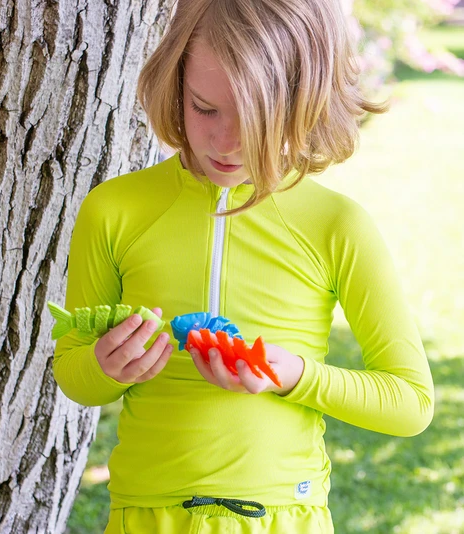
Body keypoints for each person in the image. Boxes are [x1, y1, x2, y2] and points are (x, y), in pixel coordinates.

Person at [52, 0, 434, 532]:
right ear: (175, 85)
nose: (226, 143)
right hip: (145, 514)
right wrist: (105, 366)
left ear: (307, 103)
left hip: (283, 516)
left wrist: (290, 374)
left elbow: (410, 402)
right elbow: (74, 374)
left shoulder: (336, 225)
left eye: (258, 116)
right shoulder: (114, 210)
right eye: (205, 108)